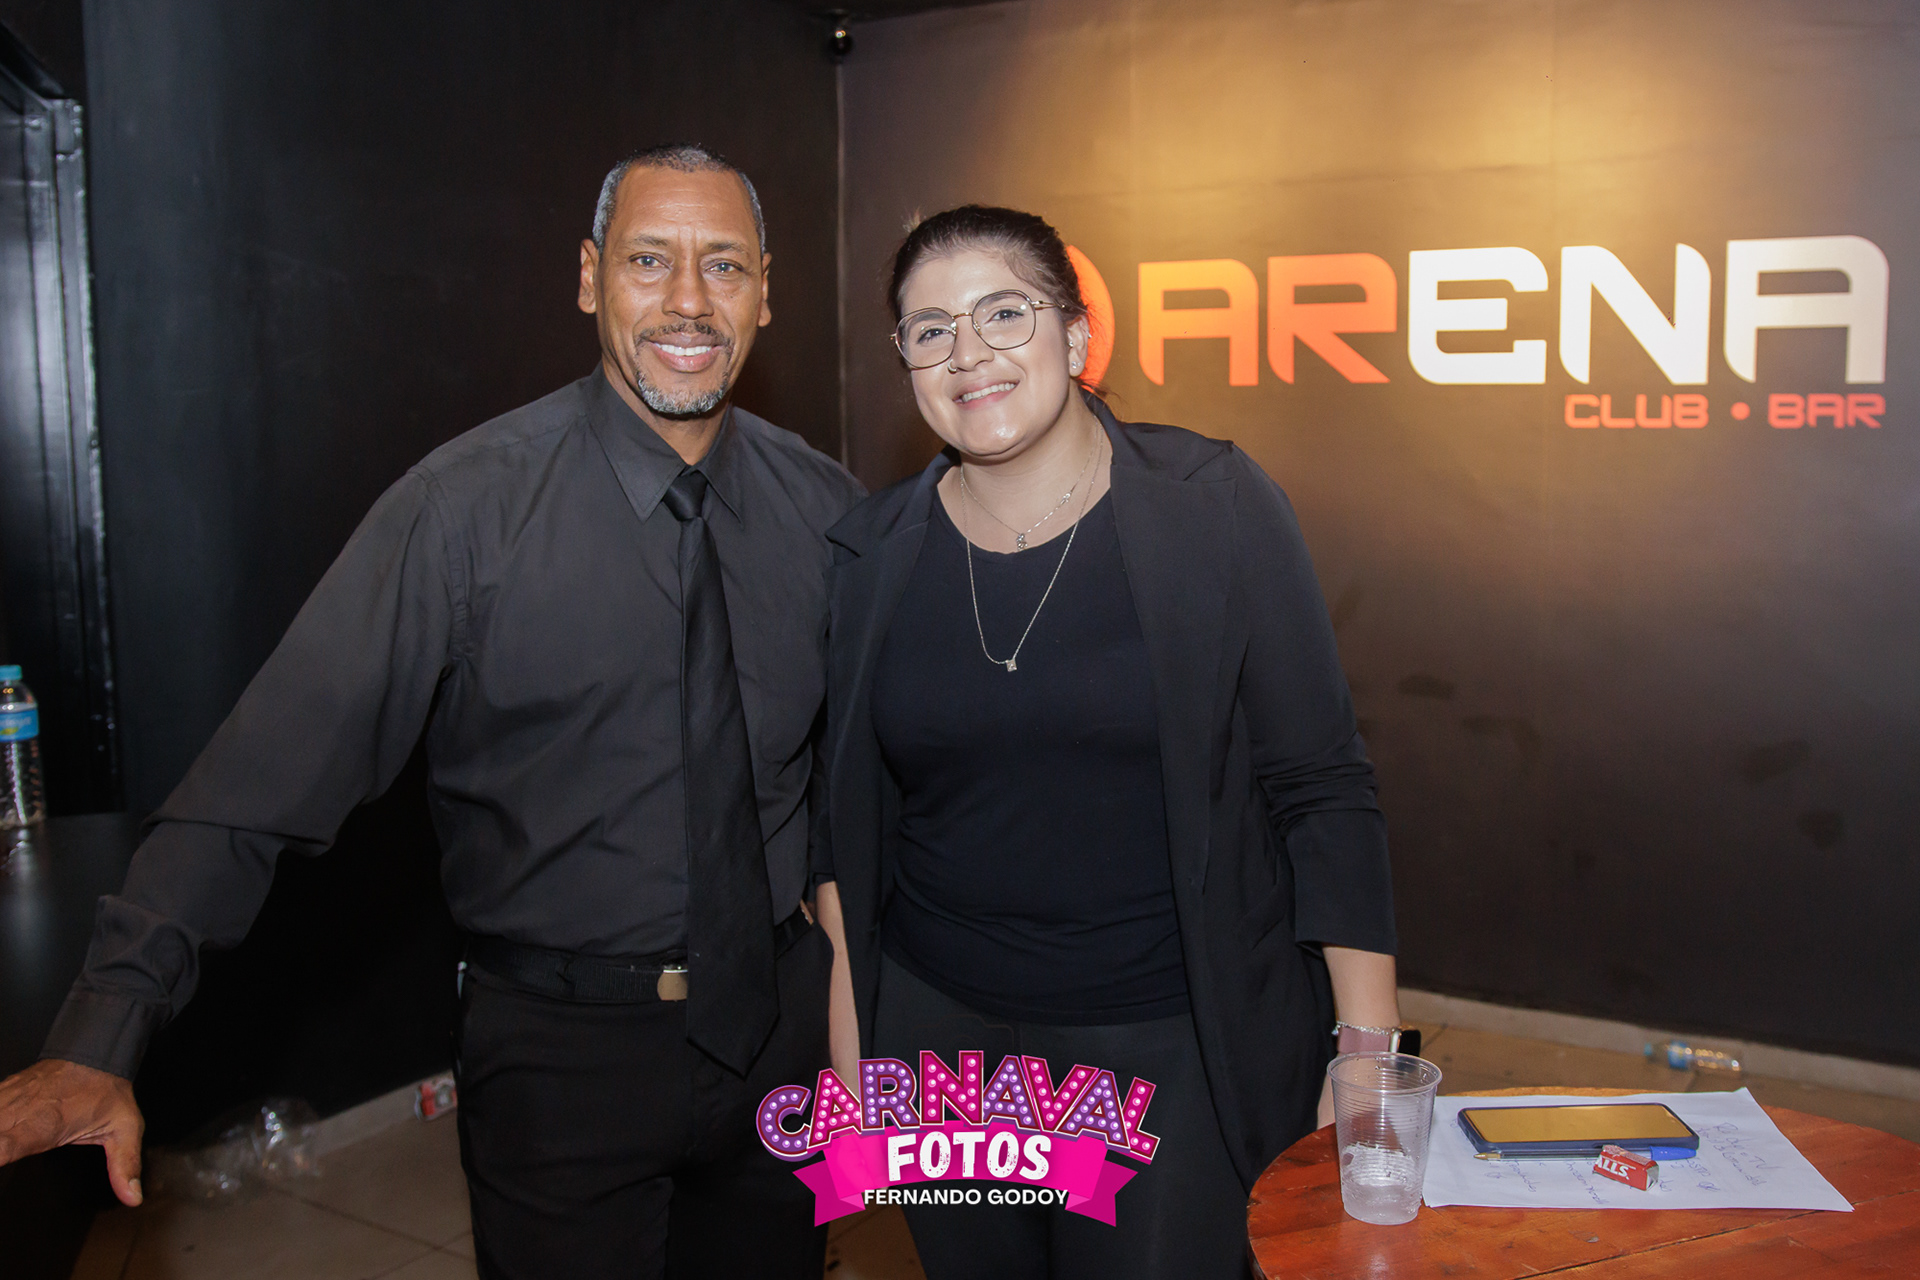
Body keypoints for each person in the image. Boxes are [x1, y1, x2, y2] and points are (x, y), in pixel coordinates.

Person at [0, 144, 863, 1280]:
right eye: (650, 260)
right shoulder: (459, 514)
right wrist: (101, 1030)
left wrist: (868, 1043)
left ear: (766, 292)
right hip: (559, 1061)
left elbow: (861, 802)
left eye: (726, 265)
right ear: (590, 278)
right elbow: (259, 783)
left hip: (783, 1044)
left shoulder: (828, 511)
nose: (690, 301)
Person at [812, 205, 1401, 1279]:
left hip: (1167, 1043)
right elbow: (846, 831)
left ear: (1077, 334)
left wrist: (1365, 1058)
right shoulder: (867, 555)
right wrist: (855, 1060)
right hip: (943, 1048)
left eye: (1004, 313)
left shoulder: (1213, 507)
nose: (969, 352)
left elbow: (1322, 785)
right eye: (931, 330)